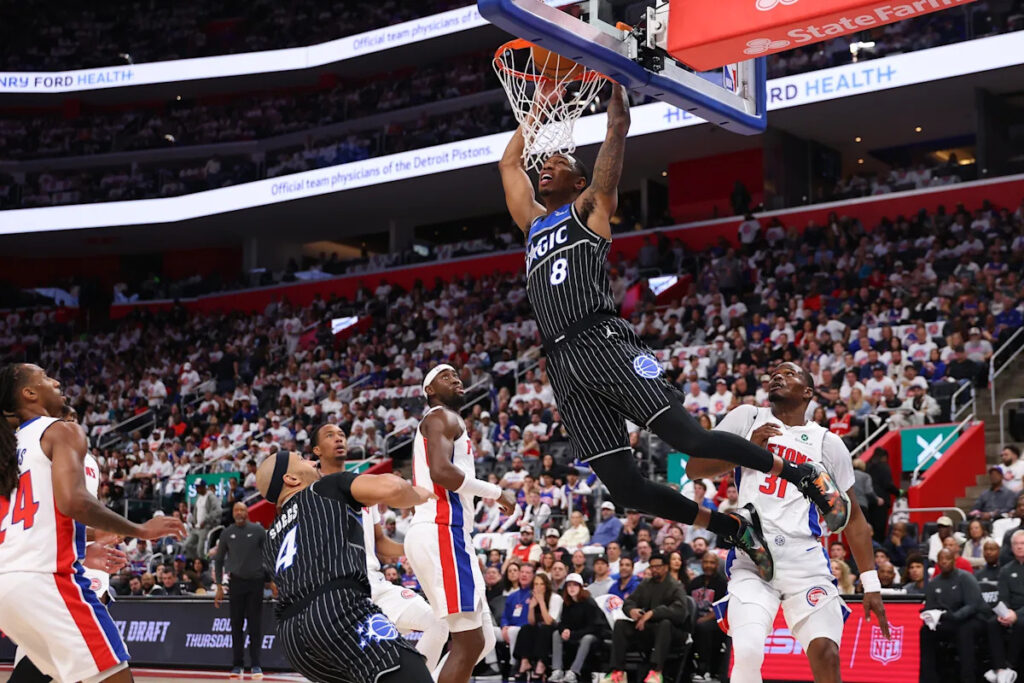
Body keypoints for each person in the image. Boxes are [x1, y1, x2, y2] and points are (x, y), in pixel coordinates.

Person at [498, 83, 849, 581]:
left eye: (560, 161)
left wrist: (615, 86)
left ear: (580, 182)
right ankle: (729, 526)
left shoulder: (591, 207)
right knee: (625, 489)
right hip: (560, 361)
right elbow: (509, 167)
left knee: (690, 439)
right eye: (546, 161)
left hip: (602, 341)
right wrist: (532, 116)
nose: (547, 163)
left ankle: (802, 475)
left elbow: (617, 130)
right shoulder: (533, 225)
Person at [687, 362, 888, 683]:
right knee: (749, 650)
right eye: (774, 372)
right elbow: (694, 468)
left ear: (808, 392)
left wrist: (872, 584)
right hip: (752, 556)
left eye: (790, 373)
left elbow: (854, 519)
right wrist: (748, 450)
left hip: (804, 561)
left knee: (826, 653)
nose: (777, 375)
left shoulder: (828, 443)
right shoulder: (747, 417)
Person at [0, 363, 184, 683]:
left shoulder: (7, 449)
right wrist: (140, 529)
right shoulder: (61, 430)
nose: (55, 381)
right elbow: (73, 502)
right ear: (28, 393)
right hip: (47, 579)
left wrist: (82, 550)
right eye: (45, 378)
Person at [255, 450, 435, 683]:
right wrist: (425, 495)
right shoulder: (325, 487)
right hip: (337, 610)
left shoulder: (270, 536)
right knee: (413, 675)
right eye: (302, 459)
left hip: (293, 639)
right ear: (291, 479)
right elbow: (394, 488)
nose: (313, 461)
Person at [404, 365, 517, 683]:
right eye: (445, 376)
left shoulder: (444, 421)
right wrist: (496, 492)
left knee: (483, 639)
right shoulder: (442, 416)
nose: (456, 379)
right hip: (442, 527)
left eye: (456, 375)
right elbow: (442, 472)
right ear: (429, 391)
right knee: (469, 641)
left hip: (446, 532)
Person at [313, 423, 449, 675]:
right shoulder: (312, 493)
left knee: (438, 623)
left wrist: (416, 549)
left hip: (376, 585)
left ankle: (418, 681)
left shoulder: (362, 489)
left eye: (342, 435)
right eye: (330, 436)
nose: (339, 439)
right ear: (317, 450)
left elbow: (381, 545)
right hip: (341, 593)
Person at [603, 553, 690, 683]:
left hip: (673, 632)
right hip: (649, 629)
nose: (654, 569)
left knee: (664, 624)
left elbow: (680, 612)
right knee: (620, 624)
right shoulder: (646, 584)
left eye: (658, 567)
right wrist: (632, 610)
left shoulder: (675, 586)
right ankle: (617, 671)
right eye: (652, 567)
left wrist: (653, 613)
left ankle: (656, 671)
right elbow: (629, 601)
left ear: (666, 567)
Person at [213, 501, 275, 678]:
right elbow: (218, 560)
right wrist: (219, 585)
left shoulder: (258, 531)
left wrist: (271, 581)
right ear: (233, 513)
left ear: (247, 512)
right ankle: (237, 664)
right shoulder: (227, 533)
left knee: (255, 625)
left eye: (242, 509)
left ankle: (256, 664)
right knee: (236, 625)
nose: (239, 512)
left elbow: (269, 556)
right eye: (236, 510)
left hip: (256, 582)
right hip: (236, 583)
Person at [919, 548, 983, 683]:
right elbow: (930, 606)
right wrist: (929, 615)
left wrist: (956, 616)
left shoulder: (966, 577)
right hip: (947, 620)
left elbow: (973, 605)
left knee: (965, 630)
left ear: (953, 560)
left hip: (970, 619)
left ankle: (968, 678)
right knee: (925, 632)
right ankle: (929, 678)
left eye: (947, 559)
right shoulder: (934, 583)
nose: (944, 562)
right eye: (941, 560)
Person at [549, 573, 608, 683]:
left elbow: (594, 627)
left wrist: (573, 634)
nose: (571, 588)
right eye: (569, 585)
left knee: (587, 638)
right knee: (556, 634)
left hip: (594, 635)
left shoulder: (589, 603)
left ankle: (574, 672)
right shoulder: (567, 603)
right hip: (575, 633)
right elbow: (562, 622)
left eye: (575, 585)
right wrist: (564, 630)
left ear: (580, 587)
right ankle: (557, 670)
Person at [513, 572, 564, 680]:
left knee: (544, 629)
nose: (538, 587)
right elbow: (531, 622)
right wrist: (531, 607)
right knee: (525, 628)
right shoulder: (533, 597)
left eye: (541, 584)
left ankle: (542, 663)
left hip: (555, 628)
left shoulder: (555, 598)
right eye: (536, 584)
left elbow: (549, 621)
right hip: (540, 627)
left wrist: (541, 602)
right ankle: (525, 661)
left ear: (546, 586)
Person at [989, 530, 1024, 683]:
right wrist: (1005, 613)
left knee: (1021, 623)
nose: (1019, 547)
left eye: (1022, 543)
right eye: (1016, 544)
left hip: (1022, 613)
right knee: (992, 623)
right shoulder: (1006, 570)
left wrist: (1016, 615)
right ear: (1011, 547)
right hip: (1011, 611)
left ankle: (1010, 666)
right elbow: (1003, 597)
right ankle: (1000, 669)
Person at [688, 553, 728, 680]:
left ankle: (703, 669)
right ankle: (685, 670)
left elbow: (721, 608)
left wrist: (703, 619)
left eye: (712, 563)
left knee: (703, 628)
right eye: (706, 562)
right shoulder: (695, 582)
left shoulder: (722, 583)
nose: (708, 566)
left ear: (717, 565)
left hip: (716, 621)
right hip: (695, 619)